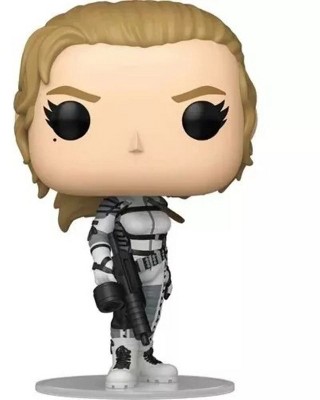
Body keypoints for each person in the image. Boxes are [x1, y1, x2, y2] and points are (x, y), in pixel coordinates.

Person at [14, 0, 257, 389]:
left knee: (151, 314)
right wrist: (103, 268)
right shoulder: (114, 206)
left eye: (202, 117)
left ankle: (147, 357)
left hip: (156, 266)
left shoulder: (157, 205)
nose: (136, 143)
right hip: (127, 267)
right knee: (127, 317)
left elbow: (159, 236)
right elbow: (97, 234)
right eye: (72, 118)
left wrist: (165, 270)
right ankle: (123, 359)